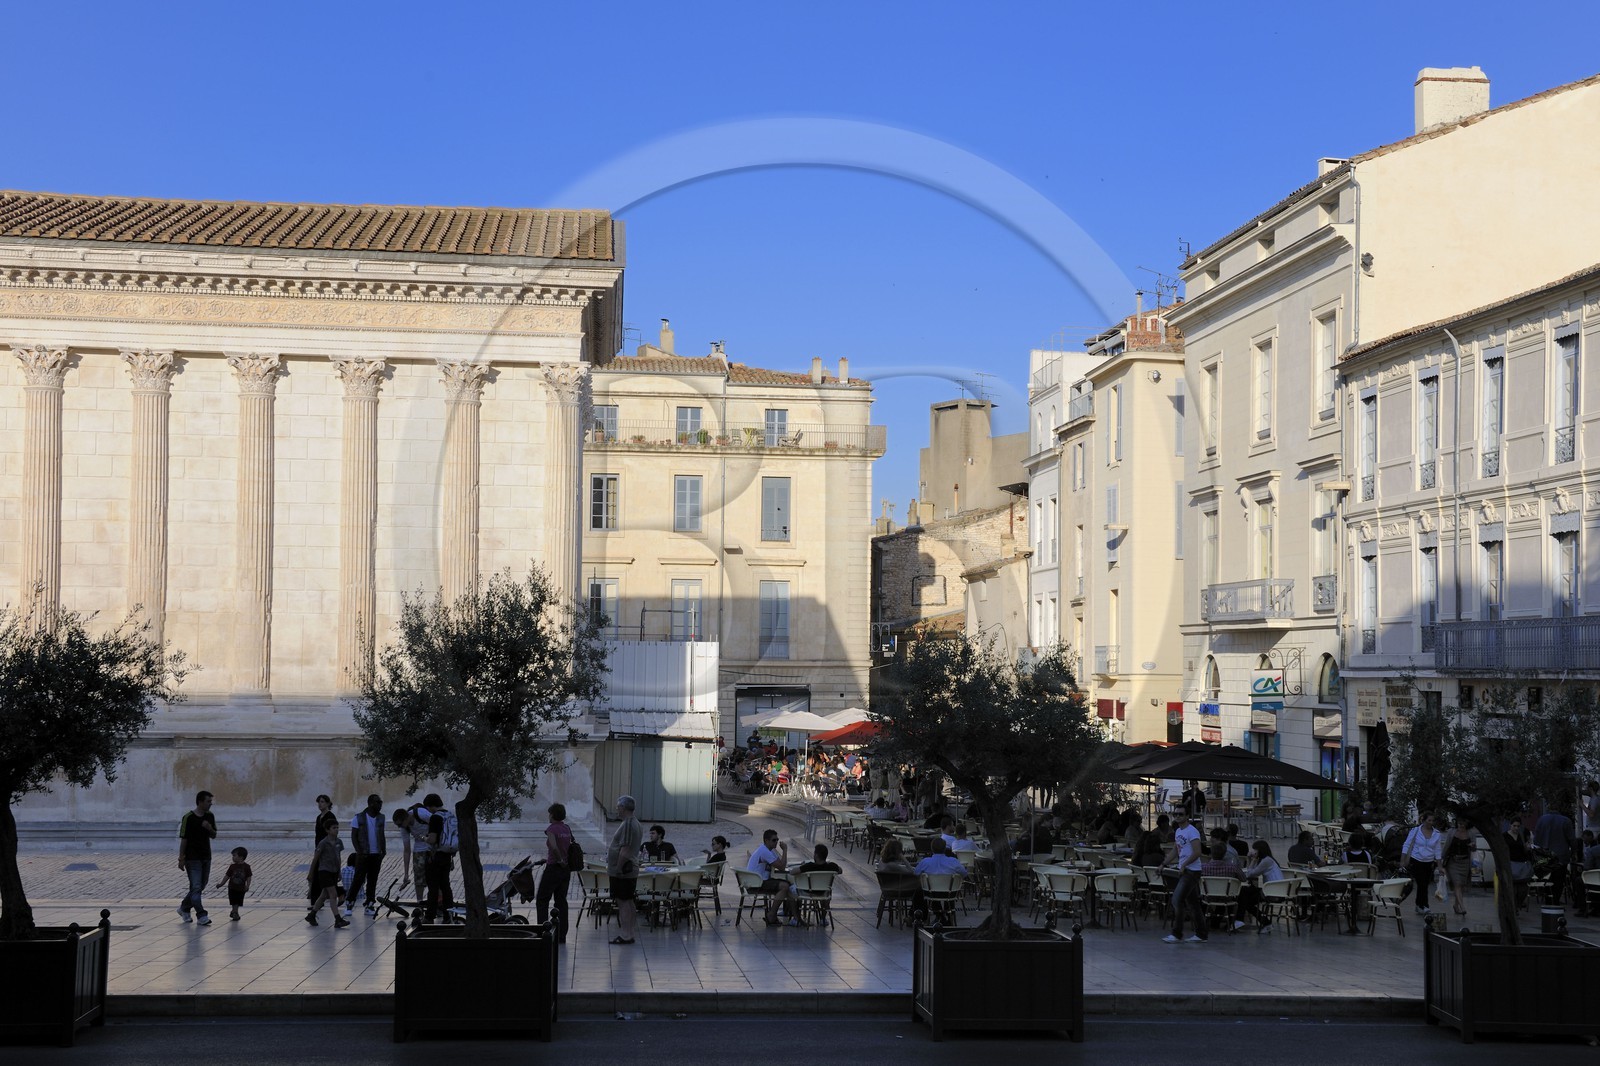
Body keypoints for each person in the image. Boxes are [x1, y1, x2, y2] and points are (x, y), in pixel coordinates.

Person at [1163, 810, 1207, 943]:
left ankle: (1177, 933)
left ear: (1187, 816)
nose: (1178, 816)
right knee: (1193, 904)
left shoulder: (1192, 831)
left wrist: (1184, 865)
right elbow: (1176, 850)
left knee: (1177, 900)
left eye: (1181, 814)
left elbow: (1197, 852)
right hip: (1185, 870)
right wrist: (1163, 864)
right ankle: (1201, 934)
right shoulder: (1178, 832)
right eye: (1175, 814)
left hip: (1191, 871)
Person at [177, 789, 217, 926]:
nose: (210, 804)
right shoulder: (189, 817)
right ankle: (201, 915)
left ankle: (184, 908)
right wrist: (181, 858)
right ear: (200, 802)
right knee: (196, 886)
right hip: (192, 857)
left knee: (201, 885)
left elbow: (214, 835)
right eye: (208, 801)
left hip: (206, 856)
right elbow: (184, 839)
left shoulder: (210, 816)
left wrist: (209, 828)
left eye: (211, 801)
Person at [607, 794, 643, 944]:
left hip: (624, 870)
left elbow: (625, 849)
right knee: (628, 901)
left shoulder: (628, 824)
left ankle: (626, 934)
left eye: (618, 806)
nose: (616, 809)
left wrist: (618, 868)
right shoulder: (634, 822)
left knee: (623, 902)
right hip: (629, 869)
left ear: (623, 808)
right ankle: (630, 932)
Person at [536, 802, 574, 943]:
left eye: (549, 813)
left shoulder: (552, 829)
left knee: (542, 899)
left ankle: (543, 929)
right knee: (561, 901)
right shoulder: (566, 828)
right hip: (566, 870)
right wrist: (563, 861)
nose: (548, 816)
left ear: (552, 814)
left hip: (554, 868)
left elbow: (553, 846)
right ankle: (561, 934)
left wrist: (558, 859)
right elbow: (566, 847)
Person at [347, 793, 386, 917]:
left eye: (381, 802)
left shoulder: (381, 818)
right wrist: (359, 851)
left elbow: (382, 834)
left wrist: (383, 850)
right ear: (370, 804)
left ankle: (369, 904)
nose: (380, 805)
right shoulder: (358, 818)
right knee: (358, 879)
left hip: (376, 854)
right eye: (378, 802)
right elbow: (354, 836)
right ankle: (349, 902)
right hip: (363, 854)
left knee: (372, 880)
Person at [1533, 798, 1578, 905]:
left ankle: (1549, 899)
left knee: (1547, 879)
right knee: (1559, 880)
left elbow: (1536, 839)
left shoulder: (1541, 820)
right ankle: (1555, 900)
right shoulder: (1565, 821)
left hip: (1545, 854)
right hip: (1560, 855)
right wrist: (1574, 852)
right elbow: (1572, 839)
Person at [422, 793, 458, 924]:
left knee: (433, 887)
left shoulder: (435, 818)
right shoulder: (450, 815)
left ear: (431, 806)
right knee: (445, 885)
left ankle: (429, 916)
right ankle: (448, 914)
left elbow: (432, 839)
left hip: (435, 856)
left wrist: (423, 838)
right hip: (447, 856)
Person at [1401, 812, 1445, 916]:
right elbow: (1407, 844)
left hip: (1429, 861)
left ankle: (1420, 905)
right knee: (1422, 884)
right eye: (1429, 820)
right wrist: (1402, 860)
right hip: (1416, 859)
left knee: (1425, 884)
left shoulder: (1436, 834)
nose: (1431, 823)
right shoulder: (1415, 831)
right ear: (1423, 820)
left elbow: (1437, 850)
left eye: (1432, 821)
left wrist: (1440, 866)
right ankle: (1424, 905)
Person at [748, 828, 795, 924]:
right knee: (785, 886)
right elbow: (782, 867)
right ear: (766, 840)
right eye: (774, 840)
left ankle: (794, 916)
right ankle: (772, 914)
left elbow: (781, 863)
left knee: (787, 885)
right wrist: (785, 850)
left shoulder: (769, 850)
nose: (776, 842)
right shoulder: (764, 851)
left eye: (777, 840)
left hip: (759, 880)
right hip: (757, 882)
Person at [309, 817, 349, 928]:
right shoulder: (323, 843)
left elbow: (338, 856)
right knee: (333, 894)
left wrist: (339, 871)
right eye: (333, 828)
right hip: (324, 871)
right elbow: (315, 858)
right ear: (327, 830)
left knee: (323, 895)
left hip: (334, 872)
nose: (336, 830)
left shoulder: (339, 842)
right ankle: (338, 919)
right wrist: (311, 873)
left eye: (337, 827)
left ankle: (312, 914)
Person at [1238, 839, 1284, 933]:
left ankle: (1240, 919)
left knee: (1245, 897)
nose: (1253, 852)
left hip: (1274, 892)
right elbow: (1252, 872)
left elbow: (1250, 874)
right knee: (1245, 895)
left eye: (1255, 850)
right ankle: (1241, 920)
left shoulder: (1266, 861)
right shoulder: (1268, 860)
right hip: (1273, 889)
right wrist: (1251, 860)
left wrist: (1252, 860)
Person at [1442, 815, 1474, 916]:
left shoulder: (1470, 833)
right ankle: (1462, 906)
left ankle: (1456, 905)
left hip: (1465, 862)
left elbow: (1474, 849)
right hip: (1453, 861)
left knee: (1460, 885)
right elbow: (1446, 845)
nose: (1461, 824)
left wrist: (1472, 846)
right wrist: (1440, 860)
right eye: (1459, 822)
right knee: (1457, 883)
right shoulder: (1452, 832)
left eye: (1463, 822)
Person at [214, 846, 252, 922]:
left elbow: (249, 877)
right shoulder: (232, 866)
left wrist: (247, 886)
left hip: (241, 888)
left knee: (238, 901)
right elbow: (227, 876)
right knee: (233, 900)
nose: (233, 857)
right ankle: (235, 912)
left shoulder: (246, 867)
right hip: (232, 887)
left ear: (241, 857)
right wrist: (221, 884)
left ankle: (234, 912)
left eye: (234, 856)